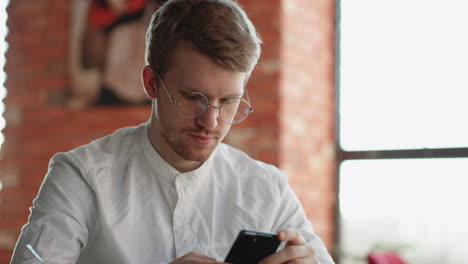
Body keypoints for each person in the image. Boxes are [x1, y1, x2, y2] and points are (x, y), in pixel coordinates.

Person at [11, 0, 335, 263]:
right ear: (151, 83)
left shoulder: (268, 189)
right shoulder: (81, 175)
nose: (211, 122)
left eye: (229, 101)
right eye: (193, 98)